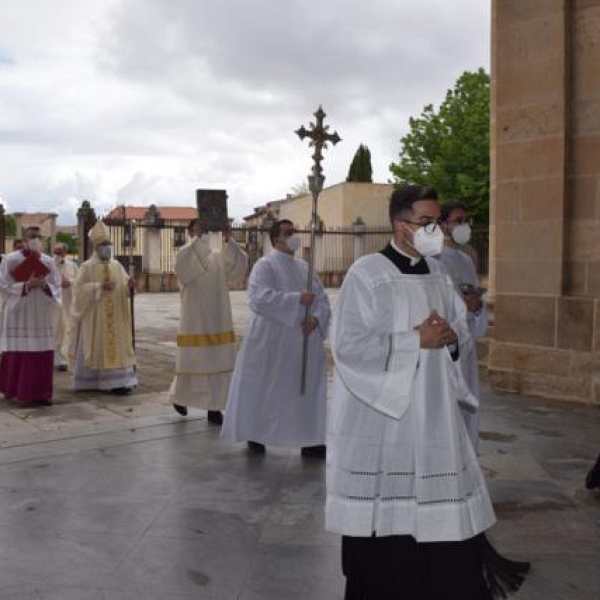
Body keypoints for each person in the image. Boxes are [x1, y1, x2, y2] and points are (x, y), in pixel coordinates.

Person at [326, 185, 529, 599]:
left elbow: (461, 340)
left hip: (435, 415)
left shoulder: (439, 276)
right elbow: (348, 347)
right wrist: (412, 341)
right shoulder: (366, 274)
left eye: (437, 222)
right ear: (400, 226)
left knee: (442, 528)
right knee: (390, 532)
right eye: (426, 222)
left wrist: (453, 340)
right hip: (386, 422)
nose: (435, 230)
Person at [221, 219, 330, 457]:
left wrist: (317, 319)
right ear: (276, 239)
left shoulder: (305, 267)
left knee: (306, 389)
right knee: (265, 387)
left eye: (295, 231)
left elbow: (321, 299)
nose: (295, 236)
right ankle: (257, 433)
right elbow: (259, 298)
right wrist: (296, 300)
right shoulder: (265, 265)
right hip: (272, 340)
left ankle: (309, 438)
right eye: (289, 232)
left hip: (305, 339)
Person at [168, 219, 248, 424]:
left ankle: (215, 407)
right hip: (195, 317)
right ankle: (180, 398)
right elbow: (186, 269)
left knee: (218, 361)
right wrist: (198, 238)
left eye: (205, 228)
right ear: (190, 232)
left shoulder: (218, 257)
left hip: (218, 315)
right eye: (198, 228)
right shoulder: (185, 252)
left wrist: (229, 239)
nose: (203, 232)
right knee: (192, 360)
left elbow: (238, 266)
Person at [438, 201, 488, 452]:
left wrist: (477, 305)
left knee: (466, 406)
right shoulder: (432, 257)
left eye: (466, 221)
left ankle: (466, 456)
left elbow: (474, 296)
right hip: (445, 346)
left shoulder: (466, 260)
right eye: (458, 221)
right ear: (443, 224)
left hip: (466, 346)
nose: (463, 226)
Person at [69, 220, 137, 394]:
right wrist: (99, 286)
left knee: (118, 345)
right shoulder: (86, 267)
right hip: (96, 316)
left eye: (109, 244)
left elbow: (124, 289)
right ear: (96, 248)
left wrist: (130, 286)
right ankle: (94, 382)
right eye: (104, 245)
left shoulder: (117, 266)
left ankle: (120, 382)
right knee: (98, 345)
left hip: (117, 317)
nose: (107, 248)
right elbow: (78, 290)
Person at [0, 226, 61, 406]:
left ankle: (42, 393)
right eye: (32, 236)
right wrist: (26, 286)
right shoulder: (11, 260)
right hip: (20, 312)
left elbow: (56, 285)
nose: (35, 239)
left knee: (42, 351)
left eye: (38, 236)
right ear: (24, 240)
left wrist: (44, 286)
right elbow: (3, 284)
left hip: (40, 312)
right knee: (19, 350)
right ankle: (17, 391)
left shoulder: (48, 261)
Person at [52, 242, 78, 371]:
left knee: (67, 330)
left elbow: (79, 282)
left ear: (65, 252)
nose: (57, 254)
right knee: (56, 330)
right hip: (53, 304)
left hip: (68, 302)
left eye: (59, 252)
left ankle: (64, 359)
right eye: (55, 252)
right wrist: (57, 284)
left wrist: (70, 282)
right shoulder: (48, 265)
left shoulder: (72, 266)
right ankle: (56, 359)